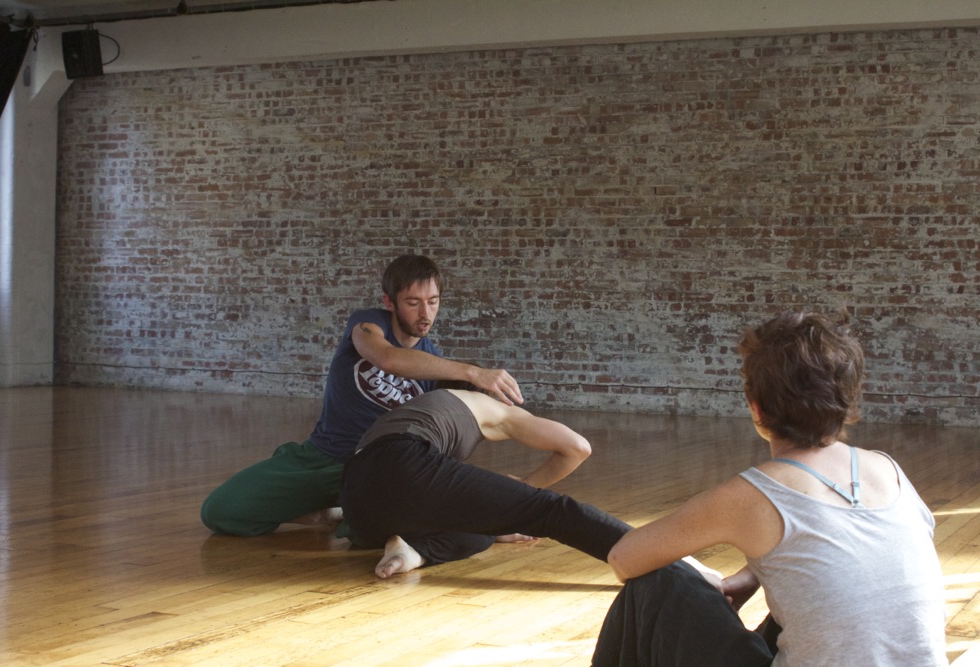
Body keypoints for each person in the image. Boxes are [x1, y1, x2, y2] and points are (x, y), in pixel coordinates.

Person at [591, 310, 949, 666]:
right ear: (847, 398)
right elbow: (856, 560)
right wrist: (755, 574)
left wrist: (702, 580)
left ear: (757, 408)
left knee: (660, 581)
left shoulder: (754, 493)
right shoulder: (888, 469)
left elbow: (624, 559)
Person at [200, 254, 524, 536]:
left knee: (386, 527)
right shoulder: (367, 325)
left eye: (433, 301)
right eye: (413, 303)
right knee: (220, 511)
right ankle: (320, 514)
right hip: (323, 456)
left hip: (373, 471)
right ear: (390, 302)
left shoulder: (436, 365)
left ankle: (347, 515)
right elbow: (388, 358)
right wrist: (473, 371)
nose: (425, 313)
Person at [339, 387, 633, 578]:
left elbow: (397, 483)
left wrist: (504, 515)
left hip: (358, 507)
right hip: (402, 462)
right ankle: (645, 553)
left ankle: (411, 551)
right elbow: (578, 447)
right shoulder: (490, 407)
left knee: (486, 531)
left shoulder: (416, 410)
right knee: (550, 510)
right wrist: (526, 488)